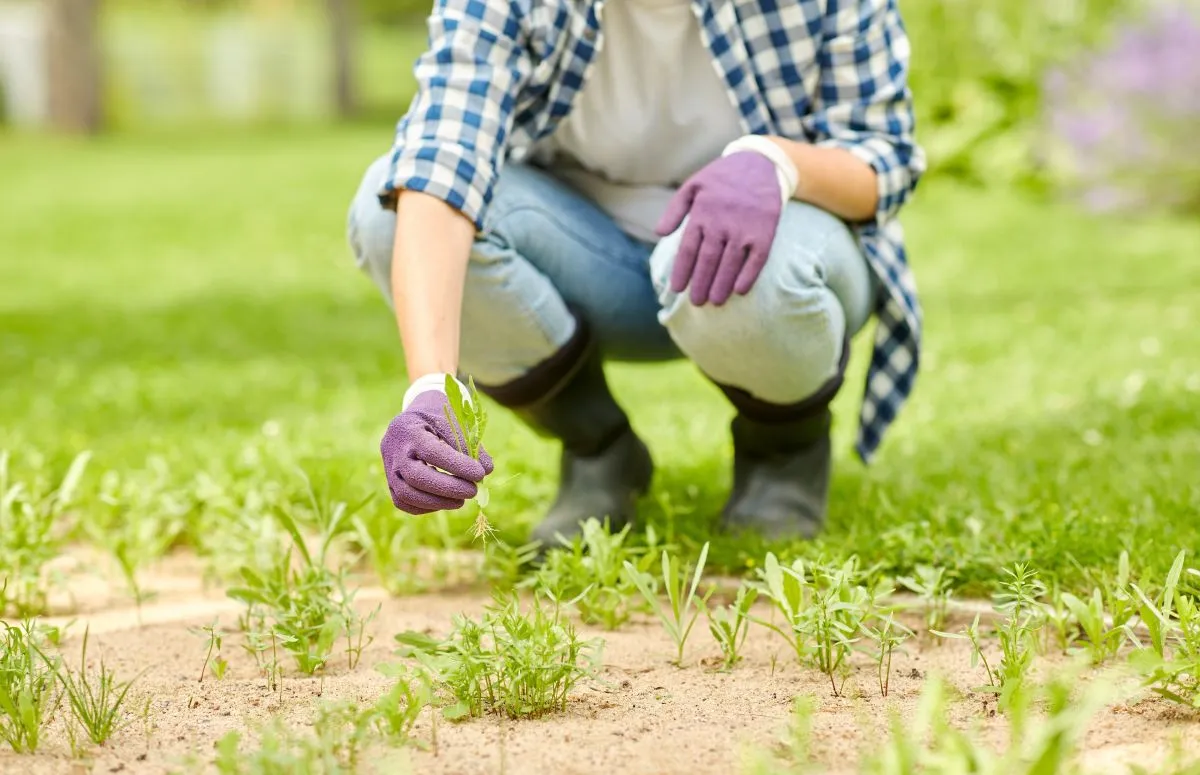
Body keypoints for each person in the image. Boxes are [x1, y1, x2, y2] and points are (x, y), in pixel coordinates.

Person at [346, 0, 926, 548]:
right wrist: (431, 390)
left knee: (761, 266)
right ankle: (600, 449)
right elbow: (440, 161)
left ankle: (783, 455)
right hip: (590, 257)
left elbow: (886, 157)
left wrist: (779, 164)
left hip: (779, 249)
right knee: (388, 213)